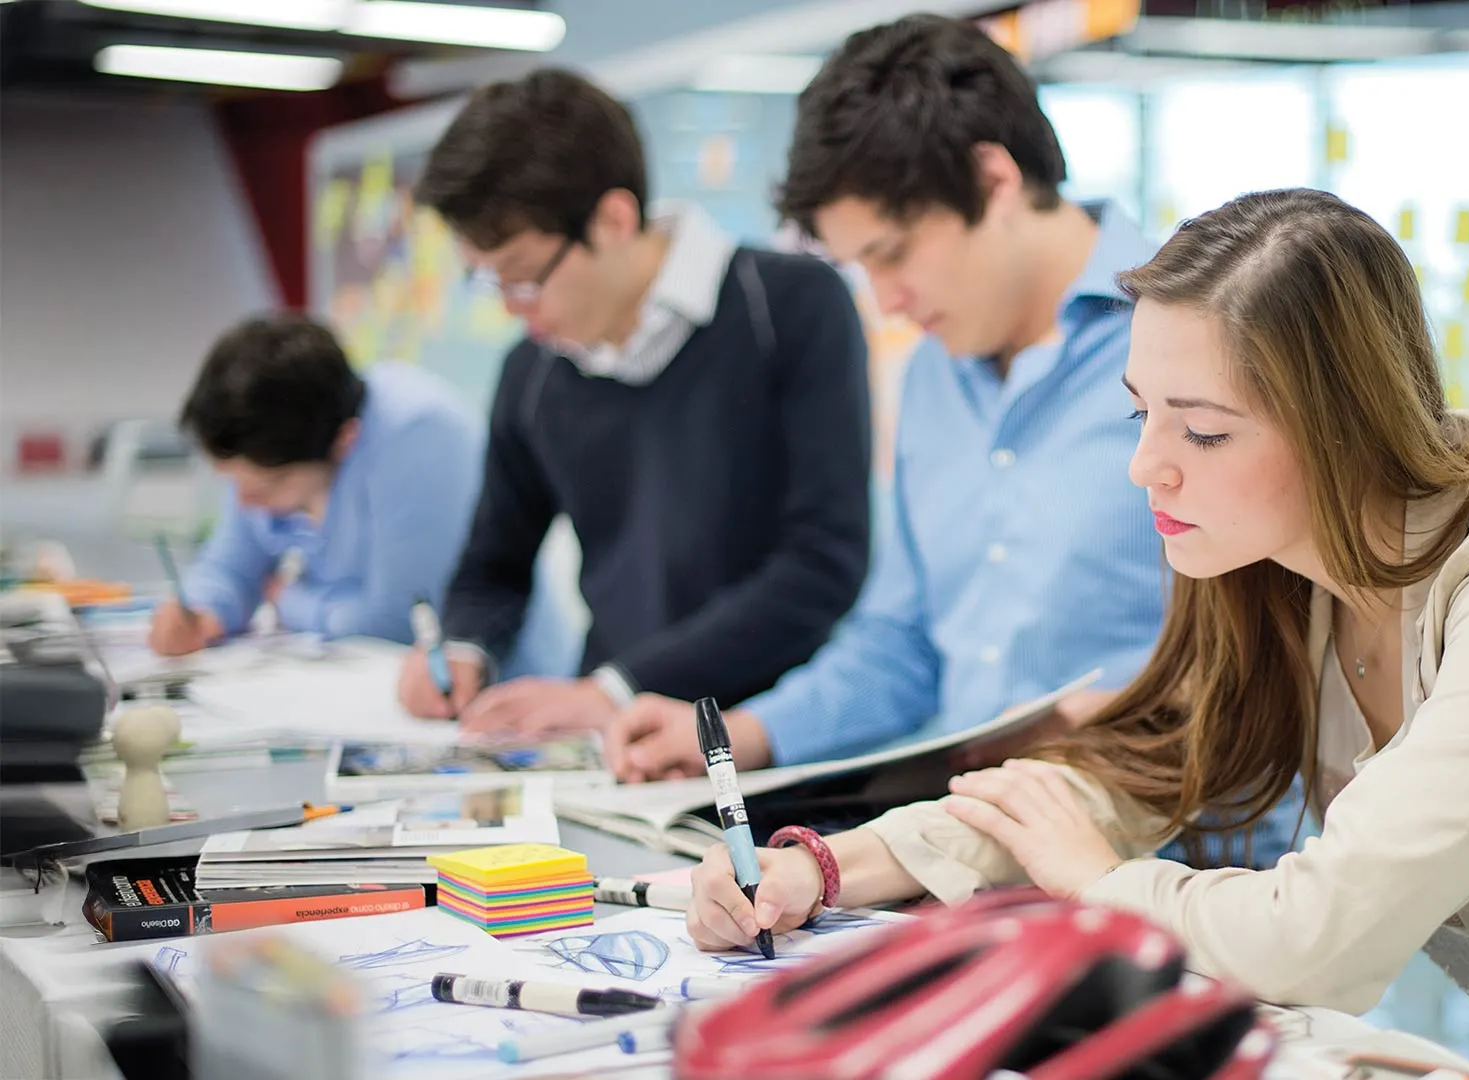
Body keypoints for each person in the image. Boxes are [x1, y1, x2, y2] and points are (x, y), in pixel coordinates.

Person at [682, 189, 1469, 1079]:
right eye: (1140, 413)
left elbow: (1318, 939)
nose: (1146, 466)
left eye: (1202, 430)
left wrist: (1101, 887)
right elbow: (1140, 766)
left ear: (1341, 422)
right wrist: (825, 869)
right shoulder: (1275, 555)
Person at [600, 14, 1170, 782]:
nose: (886, 300)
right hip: (979, 851)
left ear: (993, 181)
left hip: (1181, 863)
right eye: (857, 267)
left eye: (891, 255)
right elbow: (901, 644)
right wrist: (739, 736)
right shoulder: (932, 375)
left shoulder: (1193, 338)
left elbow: (1284, 664)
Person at [397, 67, 872, 733]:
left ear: (613, 218)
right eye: (489, 281)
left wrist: (620, 688)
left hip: (775, 736)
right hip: (614, 743)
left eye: (524, 278)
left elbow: (823, 564)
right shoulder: (532, 369)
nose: (512, 308)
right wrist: (463, 647)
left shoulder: (790, 307)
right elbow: (492, 567)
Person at [151, 314, 482, 655]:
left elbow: (397, 622)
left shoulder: (419, 435)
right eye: (232, 480)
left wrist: (290, 600)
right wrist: (201, 611)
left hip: (491, 684)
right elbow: (230, 566)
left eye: (268, 486)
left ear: (344, 440)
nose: (246, 502)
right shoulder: (261, 438)